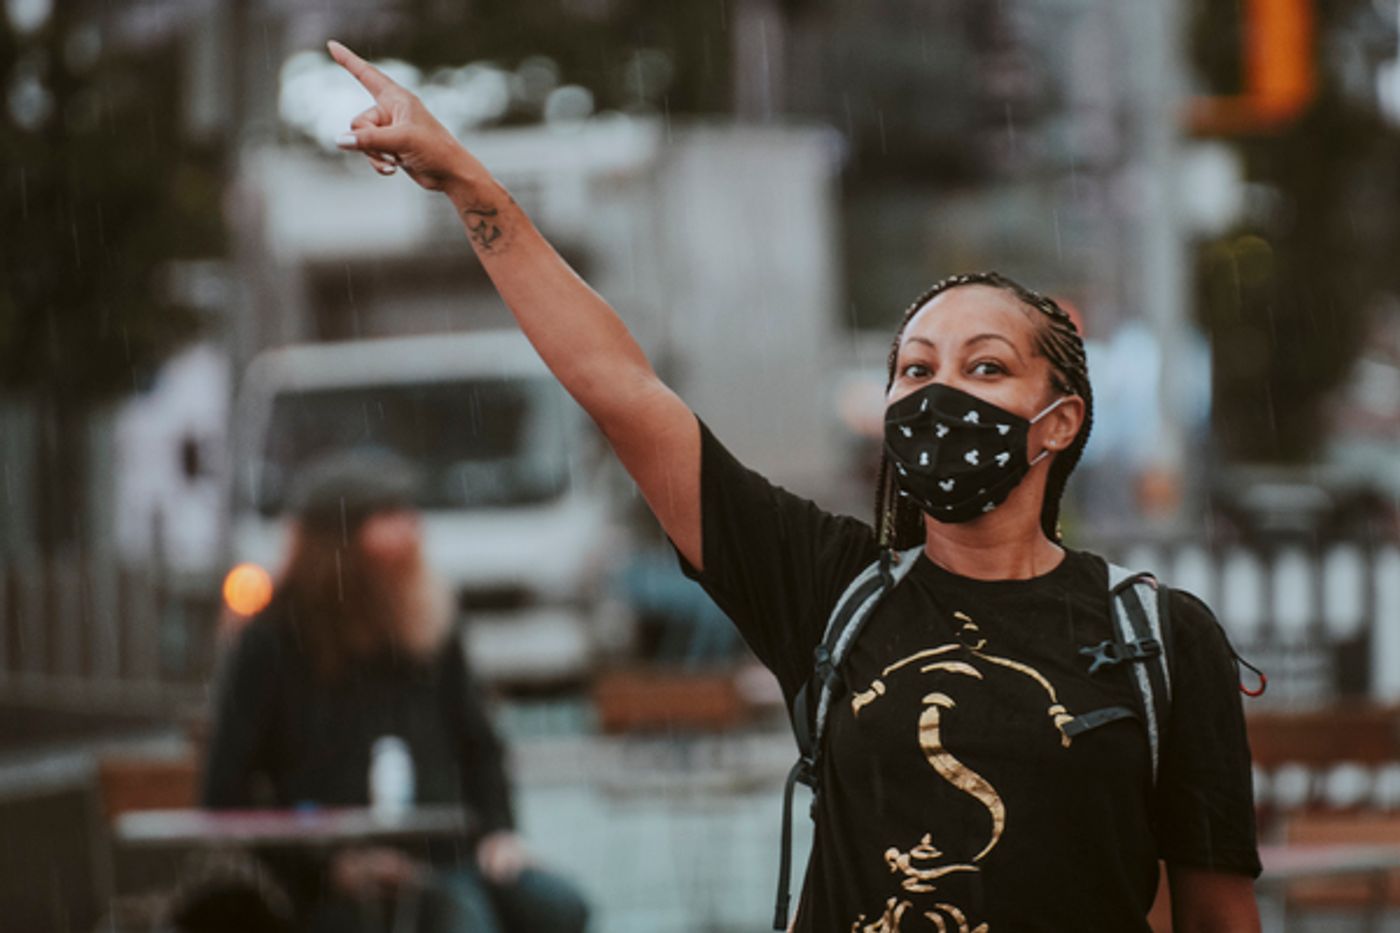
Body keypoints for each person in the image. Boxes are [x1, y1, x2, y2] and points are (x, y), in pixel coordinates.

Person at [325, 40, 1262, 932]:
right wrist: (466, 181)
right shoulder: (828, 590)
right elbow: (622, 390)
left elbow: (1220, 915)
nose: (938, 394)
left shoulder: (1159, 643)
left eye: (983, 369)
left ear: (1055, 423)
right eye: (914, 370)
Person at [201, 450, 590, 933]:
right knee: (459, 920)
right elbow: (227, 789)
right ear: (339, 541)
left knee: (559, 908)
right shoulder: (272, 642)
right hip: (337, 877)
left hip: (451, 854)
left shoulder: (426, 628)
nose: (411, 532)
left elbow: (480, 746)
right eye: (389, 517)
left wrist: (498, 832)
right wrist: (322, 867)